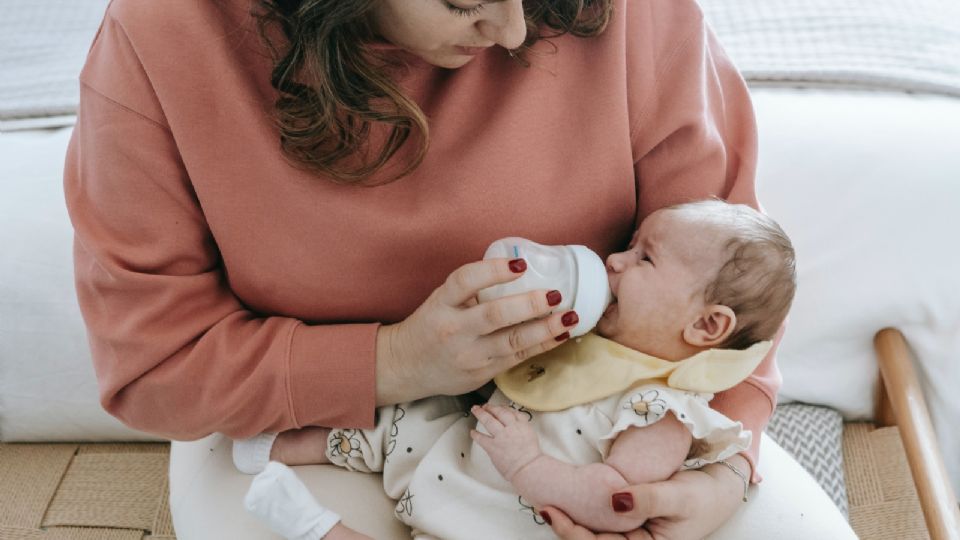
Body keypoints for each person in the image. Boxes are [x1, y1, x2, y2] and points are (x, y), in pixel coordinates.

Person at [61, 0, 834, 537]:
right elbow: (153, 367)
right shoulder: (167, 37)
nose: (513, 29)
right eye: (468, 2)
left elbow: (735, 281)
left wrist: (720, 472)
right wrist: (396, 360)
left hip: (599, 419)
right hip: (304, 425)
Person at [237, 200, 797, 539]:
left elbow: (614, 501)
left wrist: (527, 463)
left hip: (502, 520)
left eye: (643, 257)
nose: (614, 261)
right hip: (459, 452)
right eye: (628, 245)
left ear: (706, 328)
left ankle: (317, 528)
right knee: (408, 418)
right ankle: (279, 447)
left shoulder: (663, 412)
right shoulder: (594, 341)